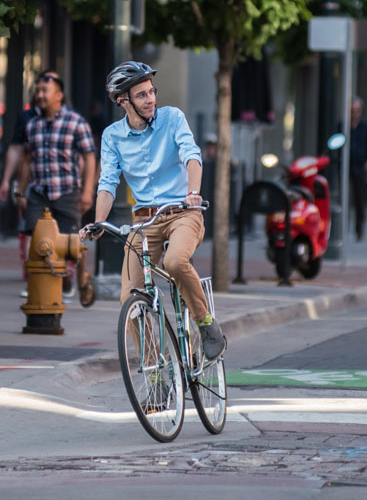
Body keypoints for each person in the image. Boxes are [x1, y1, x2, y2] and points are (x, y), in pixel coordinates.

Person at [80, 61, 225, 360]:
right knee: (130, 300)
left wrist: (193, 193)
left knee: (174, 261)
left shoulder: (172, 118)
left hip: (184, 212)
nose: (151, 99)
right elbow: (107, 182)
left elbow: (191, 155)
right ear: (124, 101)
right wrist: (98, 222)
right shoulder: (112, 136)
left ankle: (205, 322)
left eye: (151, 92)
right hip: (144, 222)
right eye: (142, 95)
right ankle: (156, 375)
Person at [17, 72, 96, 297]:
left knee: (72, 243)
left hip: (67, 191)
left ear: (58, 95)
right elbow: (27, 159)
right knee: (34, 239)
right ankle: (37, 282)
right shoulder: (32, 125)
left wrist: (88, 191)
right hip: (39, 193)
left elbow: (90, 157)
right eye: (38, 90)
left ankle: (80, 277)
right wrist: (20, 191)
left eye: (45, 91)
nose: (39, 95)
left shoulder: (76, 123)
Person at [0, 93, 40, 298]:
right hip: (32, 185)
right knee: (30, 230)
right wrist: (16, 187)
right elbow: (20, 155)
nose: (42, 95)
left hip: (61, 187)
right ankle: (33, 279)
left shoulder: (69, 120)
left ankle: (62, 278)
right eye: (39, 90)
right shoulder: (28, 120)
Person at [349, 98, 367, 241]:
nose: (354, 113)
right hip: (346, 165)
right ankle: (342, 228)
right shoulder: (344, 124)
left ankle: (359, 230)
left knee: (360, 198)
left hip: (360, 165)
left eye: (357, 110)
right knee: (344, 198)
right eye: (352, 110)